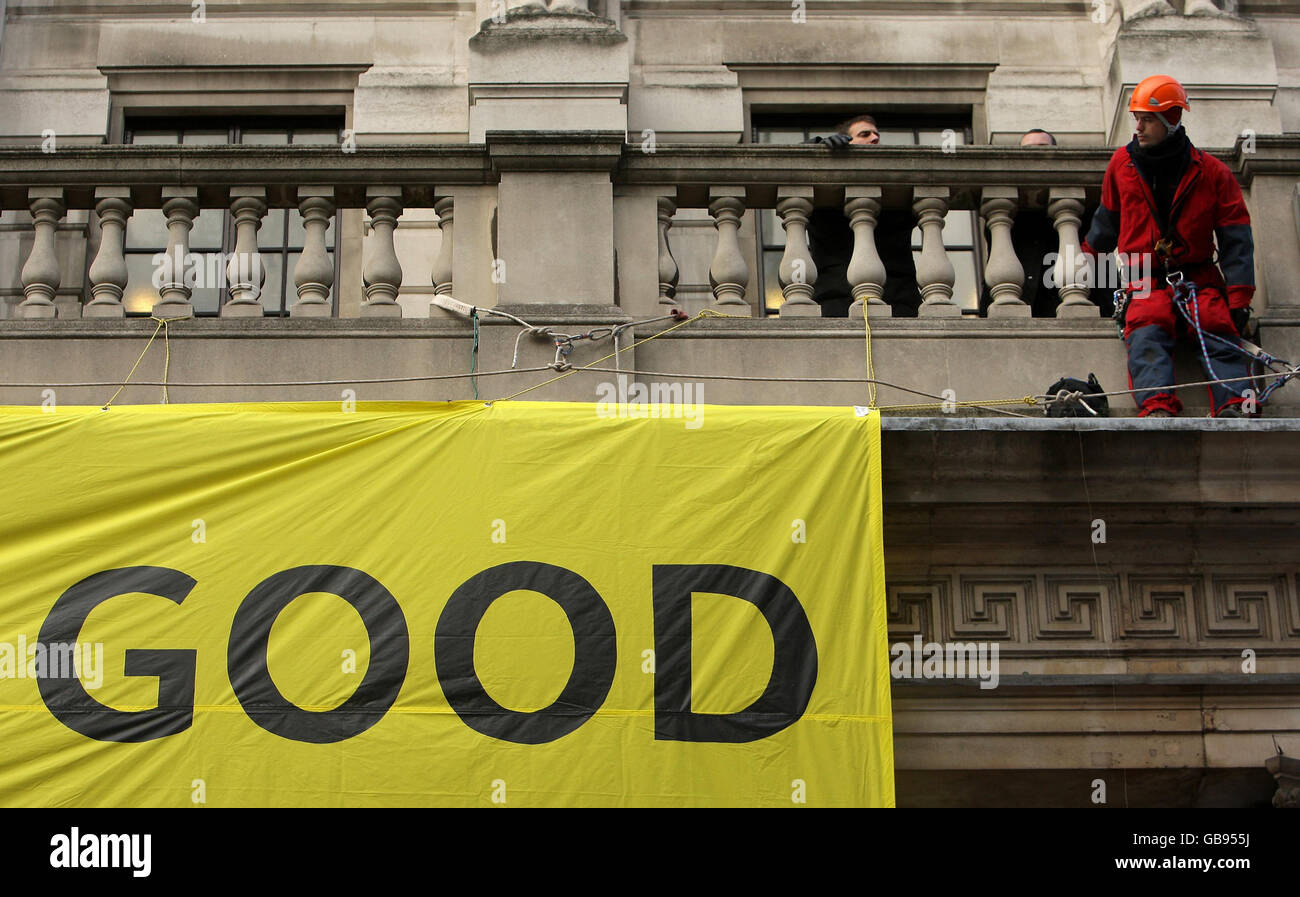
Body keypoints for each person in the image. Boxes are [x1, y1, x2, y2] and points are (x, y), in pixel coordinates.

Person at [1081, 75, 1255, 418]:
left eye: (1147, 119)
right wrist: (1086, 267)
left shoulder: (1213, 173)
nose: (1139, 128)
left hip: (1199, 277)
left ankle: (1237, 407)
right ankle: (1157, 408)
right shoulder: (1122, 165)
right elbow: (1106, 224)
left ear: (1171, 120)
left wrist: (1238, 299)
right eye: (1138, 119)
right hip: (1145, 278)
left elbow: (1236, 239)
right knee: (1147, 331)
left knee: (1217, 328)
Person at [980, 129, 1114, 317]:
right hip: (1023, 308)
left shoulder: (1082, 208)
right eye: (1028, 151)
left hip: (1078, 304)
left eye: (1042, 149)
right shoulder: (1006, 209)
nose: (1035, 156)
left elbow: (1101, 259)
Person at [807, 115, 922, 317]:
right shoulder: (825, 196)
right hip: (837, 303)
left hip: (899, 303)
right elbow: (791, 164)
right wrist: (816, 148)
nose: (874, 138)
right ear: (845, 141)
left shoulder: (896, 192)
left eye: (876, 134)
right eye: (865, 134)